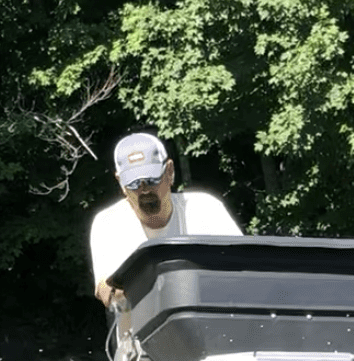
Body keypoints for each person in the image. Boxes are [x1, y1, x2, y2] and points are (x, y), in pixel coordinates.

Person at [89, 132, 241, 308]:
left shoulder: (205, 208)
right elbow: (105, 290)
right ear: (121, 184)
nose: (144, 190)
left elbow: (241, 266)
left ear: (169, 172)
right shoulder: (108, 223)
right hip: (142, 329)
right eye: (134, 183)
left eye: (151, 179)